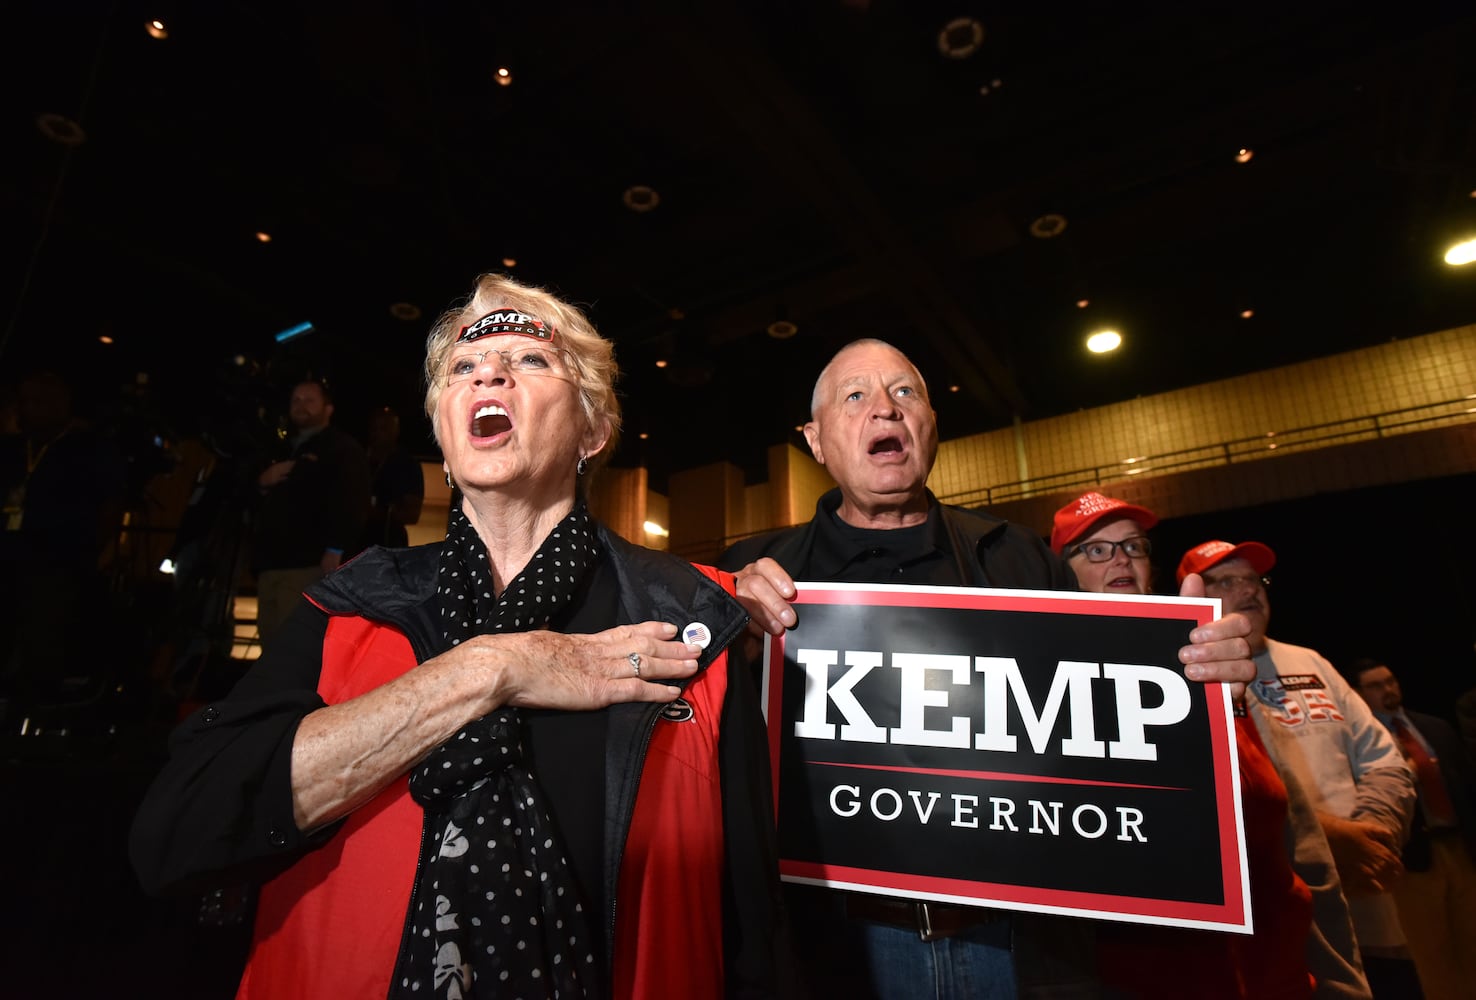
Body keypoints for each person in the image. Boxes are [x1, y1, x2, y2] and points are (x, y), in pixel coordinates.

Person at [130, 274, 789, 999]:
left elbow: (754, 936)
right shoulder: (353, 600)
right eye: (462, 368)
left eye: (531, 360)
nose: (490, 372)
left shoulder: (694, 614)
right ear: (445, 437)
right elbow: (178, 833)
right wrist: (488, 669)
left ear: (593, 433)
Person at [719, 338, 1256, 1000]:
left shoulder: (1022, 562)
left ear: (931, 425)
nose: (884, 410)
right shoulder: (749, 575)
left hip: (1020, 945)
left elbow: (1107, 741)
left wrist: (1199, 684)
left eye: (905, 393)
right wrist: (717, 645)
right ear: (816, 440)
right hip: (833, 950)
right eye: (855, 396)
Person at [1053, 492, 1370, 999]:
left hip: (1279, 978)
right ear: (1059, 573)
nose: (1120, 559)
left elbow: (1296, 845)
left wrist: (1342, 981)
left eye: (1133, 547)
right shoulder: (1045, 697)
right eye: (1095, 550)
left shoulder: (1218, 672)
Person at [1177, 540, 1419, 999]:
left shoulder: (1309, 661)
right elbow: (1218, 803)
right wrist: (1330, 842)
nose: (1249, 590)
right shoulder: (1187, 679)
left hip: (1373, 898)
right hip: (1286, 922)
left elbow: (1383, 759)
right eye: (1227, 580)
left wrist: (1372, 835)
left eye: (1255, 579)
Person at [1351, 657, 1476, 1000]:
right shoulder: (1363, 743)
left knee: (1471, 939)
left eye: (1390, 681)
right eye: (1376, 686)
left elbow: (1465, 784)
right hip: (1412, 860)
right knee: (1430, 951)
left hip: (1457, 849)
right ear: (1359, 695)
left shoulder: (1435, 728)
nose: (1388, 690)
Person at [250, 378, 371, 652]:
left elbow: (351, 502)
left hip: (306, 564)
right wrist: (261, 482)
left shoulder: (341, 448)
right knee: (269, 643)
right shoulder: (280, 447)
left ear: (328, 408)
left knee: (293, 648)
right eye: (296, 400)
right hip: (270, 563)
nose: (301, 406)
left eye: (309, 400)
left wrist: (335, 548)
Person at [358, 405, 425, 551]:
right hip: (353, 545)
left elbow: (412, 515)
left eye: (384, 428)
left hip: (389, 546)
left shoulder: (407, 464)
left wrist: (376, 512)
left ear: (396, 431)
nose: (378, 433)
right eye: (374, 428)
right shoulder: (357, 458)